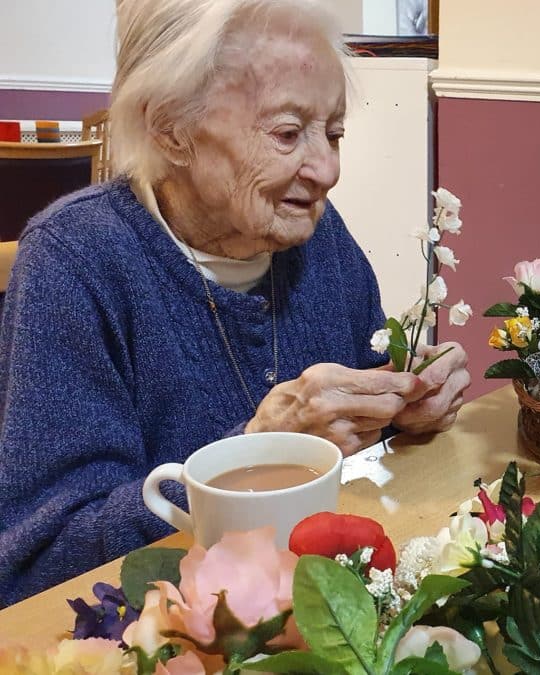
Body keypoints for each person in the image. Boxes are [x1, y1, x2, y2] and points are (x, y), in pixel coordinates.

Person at [0, 0, 469, 606]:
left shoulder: (320, 240)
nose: (327, 170)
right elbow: (40, 564)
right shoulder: (76, 262)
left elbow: (358, 452)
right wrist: (257, 447)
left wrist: (403, 405)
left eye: (334, 133)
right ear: (171, 127)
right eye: (286, 133)